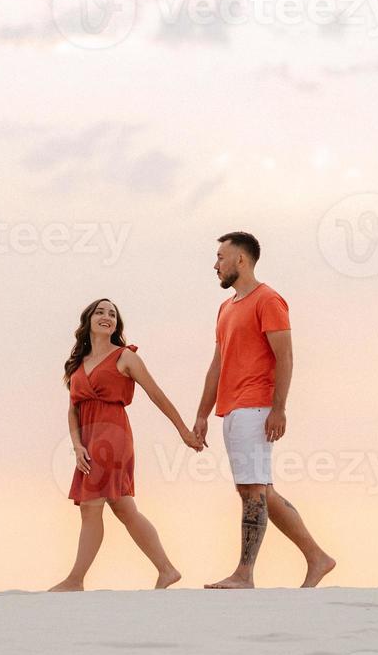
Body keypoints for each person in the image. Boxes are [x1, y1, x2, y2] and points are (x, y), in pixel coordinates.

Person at [194, 232, 336, 589]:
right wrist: (201, 414)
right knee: (259, 490)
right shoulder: (226, 308)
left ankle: (244, 574)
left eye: (220, 257)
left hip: (256, 407)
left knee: (253, 489)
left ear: (241, 260)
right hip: (232, 409)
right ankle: (318, 557)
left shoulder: (268, 300)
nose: (215, 264)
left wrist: (279, 408)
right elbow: (217, 364)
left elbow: (285, 355)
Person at [50, 297, 205, 592]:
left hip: (113, 435)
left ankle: (75, 580)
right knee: (123, 508)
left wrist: (184, 431)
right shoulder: (77, 364)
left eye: (112, 314)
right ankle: (167, 569)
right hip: (88, 438)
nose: (106, 317)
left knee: (90, 507)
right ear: (88, 321)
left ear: (116, 324)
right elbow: (72, 409)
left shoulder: (126, 357)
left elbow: (157, 395)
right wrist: (77, 445)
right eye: (100, 312)